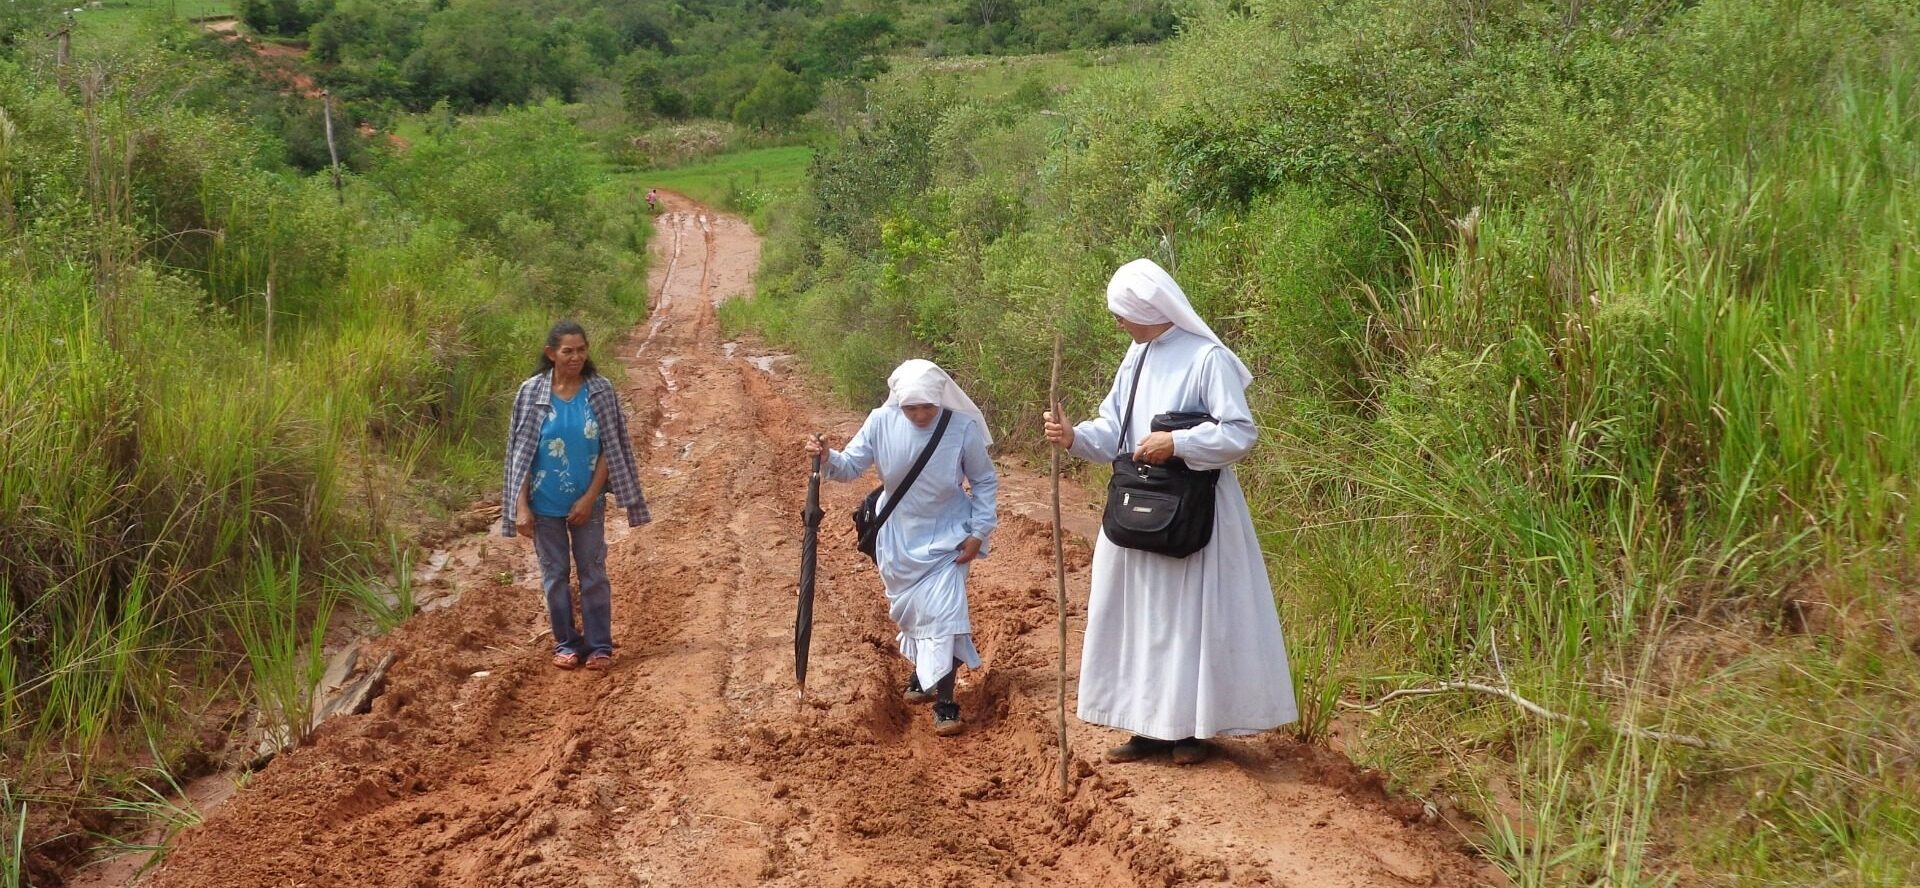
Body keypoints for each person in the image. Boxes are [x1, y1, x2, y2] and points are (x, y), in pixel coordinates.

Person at [1043, 258, 1297, 765]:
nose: (1118, 323)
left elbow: (1239, 433)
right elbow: (1113, 429)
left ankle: (1189, 731)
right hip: (1141, 504)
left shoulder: (1208, 359)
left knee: (1188, 617)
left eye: (1122, 313)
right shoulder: (1134, 358)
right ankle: (1147, 726)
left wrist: (1177, 443)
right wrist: (1074, 438)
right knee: (1140, 614)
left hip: (1195, 511)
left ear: (1147, 307)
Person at [805, 360, 999, 736]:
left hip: (948, 535)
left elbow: (984, 481)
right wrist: (827, 457)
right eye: (912, 408)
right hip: (897, 538)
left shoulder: (961, 427)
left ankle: (945, 703)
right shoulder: (880, 421)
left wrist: (979, 532)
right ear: (899, 403)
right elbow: (848, 468)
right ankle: (922, 673)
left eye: (928, 406)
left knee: (946, 617)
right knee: (913, 615)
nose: (921, 414)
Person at [502, 320, 651, 671]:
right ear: (551, 353)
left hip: (588, 503)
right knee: (554, 575)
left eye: (581, 350)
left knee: (593, 573)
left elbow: (609, 449)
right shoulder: (530, 392)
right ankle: (566, 642)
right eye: (567, 351)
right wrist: (521, 507)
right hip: (543, 506)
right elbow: (519, 453)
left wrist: (589, 498)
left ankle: (600, 646)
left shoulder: (599, 390)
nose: (576, 357)